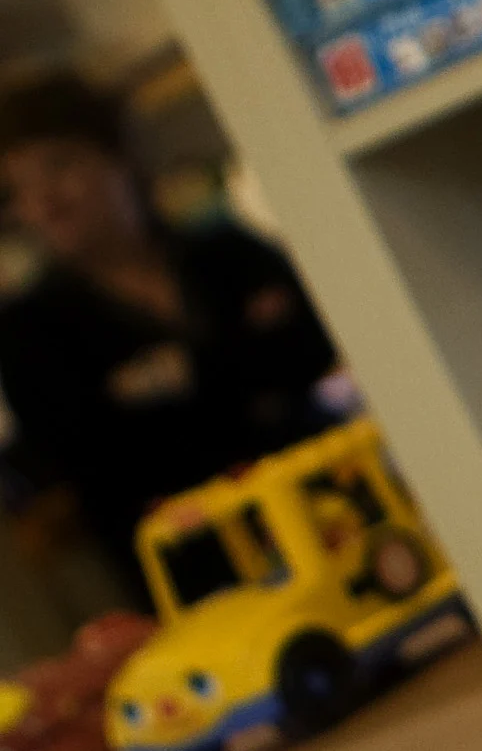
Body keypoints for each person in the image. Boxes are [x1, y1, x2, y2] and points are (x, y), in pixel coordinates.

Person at [0, 67, 341, 593]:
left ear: (118, 155)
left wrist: (176, 382)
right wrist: (239, 365)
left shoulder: (228, 253)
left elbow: (315, 347)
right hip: (198, 572)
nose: (45, 200)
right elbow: (97, 460)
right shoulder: (30, 332)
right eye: (18, 189)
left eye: (59, 165)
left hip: (328, 513)